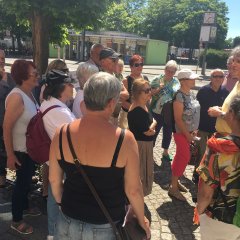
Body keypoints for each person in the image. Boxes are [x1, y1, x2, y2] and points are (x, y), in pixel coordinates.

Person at [49, 72, 150, 240]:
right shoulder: (124, 139)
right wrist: (142, 221)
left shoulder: (62, 132)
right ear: (111, 103)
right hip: (105, 226)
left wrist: (61, 204)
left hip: (67, 220)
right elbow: (133, 190)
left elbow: (54, 180)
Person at [3, 60, 41, 234]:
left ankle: (24, 206)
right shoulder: (17, 96)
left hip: (29, 149)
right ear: (23, 76)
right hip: (20, 150)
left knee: (25, 182)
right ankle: (16, 220)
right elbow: (6, 127)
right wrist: (10, 155)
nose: (37, 76)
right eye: (34, 73)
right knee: (21, 184)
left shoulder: (29, 93)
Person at [196, 96, 240, 240]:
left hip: (222, 217)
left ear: (232, 114)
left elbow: (206, 193)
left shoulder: (219, 147)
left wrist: (199, 210)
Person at [40, 70, 76, 240]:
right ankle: (54, 233)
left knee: (54, 197)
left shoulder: (48, 102)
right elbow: (77, 137)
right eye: (70, 84)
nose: (73, 87)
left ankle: (52, 232)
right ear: (62, 87)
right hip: (62, 161)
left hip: (54, 158)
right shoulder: (60, 112)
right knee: (56, 198)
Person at [192, 69, 229, 184]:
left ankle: (209, 174)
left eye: (220, 76)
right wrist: (195, 127)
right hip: (202, 127)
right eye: (215, 76)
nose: (218, 78)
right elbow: (196, 110)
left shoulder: (225, 92)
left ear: (223, 79)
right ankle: (197, 174)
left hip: (216, 129)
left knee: (213, 154)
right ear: (211, 78)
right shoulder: (203, 91)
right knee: (202, 152)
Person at [168, 69, 200, 201]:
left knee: (180, 156)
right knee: (184, 157)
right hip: (181, 133)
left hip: (189, 132)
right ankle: (173, 188)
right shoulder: (179, 96)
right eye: (191, 78)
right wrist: (187, 134)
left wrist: (194, 130)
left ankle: (174, 182)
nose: (194, 80)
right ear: (183, 81)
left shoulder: (191, 93)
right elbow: (178, 119)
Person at [128, 79, 156, 196]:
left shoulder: (144, 105)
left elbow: (153, 121)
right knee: (141, 173)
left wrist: (153, 124)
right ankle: (136, 200)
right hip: (141, 146)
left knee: (144, 172)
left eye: (150, 89)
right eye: (147, 90)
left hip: (146, 145)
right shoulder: (137, 110)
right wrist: (154, 125)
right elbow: (148, 132)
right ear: (138, 93)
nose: (150, 92)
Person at [150, 60, 180, 161]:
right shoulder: (157, 79)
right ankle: (150, 150)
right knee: (154, 131)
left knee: (168, 132)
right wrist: (159, 88)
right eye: (169, 70)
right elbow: (150, 93)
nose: (170, 73)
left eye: (173, 71)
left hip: (169, 112)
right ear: (165, 69)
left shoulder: (176, 82)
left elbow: (176, 94)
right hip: (156, 111)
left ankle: (165, 151)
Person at [208, 46, 240, 135]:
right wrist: (222, 109)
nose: (233, 64)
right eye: (233, 60)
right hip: (224, 137)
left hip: (232, 141)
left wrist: (220, 113)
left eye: (238, 61)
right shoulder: (238, 83)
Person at [99, 48, 129, 125]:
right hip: (103, 118)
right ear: (102, 62)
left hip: (115, 117)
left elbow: (126, 95)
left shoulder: (115, 76)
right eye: (113, 59)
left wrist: (111, 95)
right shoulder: (98, 77)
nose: (116, 61)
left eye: (116, 59)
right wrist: (118, 95)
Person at [119, 54, 148, 129]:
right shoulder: (126, 81)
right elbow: (122, 102)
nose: (140, 67)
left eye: (141, 64)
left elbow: (148, 95)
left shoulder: (145, 78)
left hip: (143, 113)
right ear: (131, 67)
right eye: (137, 65)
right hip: (128, 115)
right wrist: (137, 109)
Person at [0, 49, 15, 187]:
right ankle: (1, 176)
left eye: (3, 58)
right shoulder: (5, 79)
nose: (1, 60)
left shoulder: (9, 76)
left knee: (7, 147)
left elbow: (15, 94)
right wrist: (4, 83)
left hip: (8, 119)